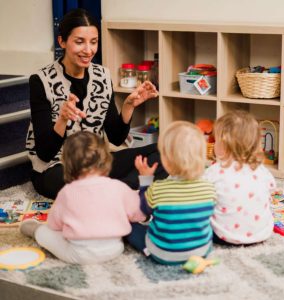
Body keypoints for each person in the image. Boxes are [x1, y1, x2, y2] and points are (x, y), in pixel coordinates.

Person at [25, 8, 167, 199]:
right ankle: (120, 190)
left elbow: (116, 138)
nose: (88, 50)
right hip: (58, 167)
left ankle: (112, 191)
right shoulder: (40, 80)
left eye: (94, 42)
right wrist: (62, 119)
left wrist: (128, 106)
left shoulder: (102, 75)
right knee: (71, 186)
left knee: (164, 153)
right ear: (62, 42)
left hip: (98, 163)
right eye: (79, 42)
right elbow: (44, 153)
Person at [20, 131, 146, 264]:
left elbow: (54, 224)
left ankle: (36, 231)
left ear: (67, 165)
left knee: (47, 232)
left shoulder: (67, 192)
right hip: (115, 249)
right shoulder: (119, 186)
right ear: (106, 161)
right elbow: (139, 214)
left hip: (79, 254)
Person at [125, 121, 216, 265]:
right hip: (201, 251)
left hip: (163, 254)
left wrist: (146, 181)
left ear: (166, 161)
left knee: (130, 227)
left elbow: (143, 211)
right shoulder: (209, 188)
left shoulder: (158, 189)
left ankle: (147, 249)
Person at [203, 110, 276, 245]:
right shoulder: (261, 170)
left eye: (216, 140)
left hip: (223, 236)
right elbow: (271, 188)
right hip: (262, 233)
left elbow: (200, 195)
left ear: (224, 145)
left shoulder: (213, 172)